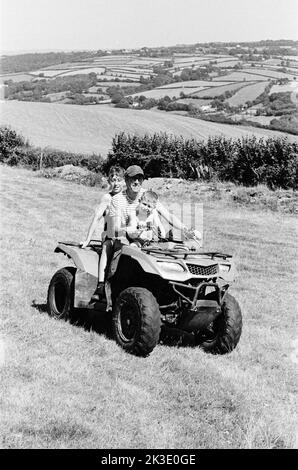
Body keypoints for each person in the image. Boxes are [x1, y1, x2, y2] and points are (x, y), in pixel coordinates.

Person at [80, 165, 125, 297]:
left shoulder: (127, 197)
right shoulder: (107, 198)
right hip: (109, 235)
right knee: (107, 247)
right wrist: (88, 239)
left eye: (119, 179)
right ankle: (100, 285)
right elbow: (97, 217)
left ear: (123, 181)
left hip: (125, 236)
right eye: (113, 179)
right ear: (109, 181)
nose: (116, 183)